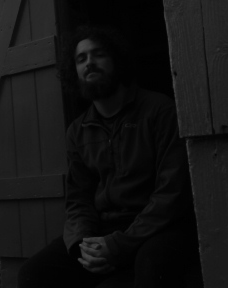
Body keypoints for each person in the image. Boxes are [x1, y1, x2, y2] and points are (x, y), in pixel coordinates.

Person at [18, 26, 199, 288]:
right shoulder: (78, 131)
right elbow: (78, 199)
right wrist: (82, 243)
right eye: (81, 59)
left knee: (152, 264)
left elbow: (172, 194)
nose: (89, 63)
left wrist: (121, 244)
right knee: (33, 274)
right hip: (103, 231)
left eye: (98, 54)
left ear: (116, 60)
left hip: (156, 230)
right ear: (75, 72)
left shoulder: (159, 111)